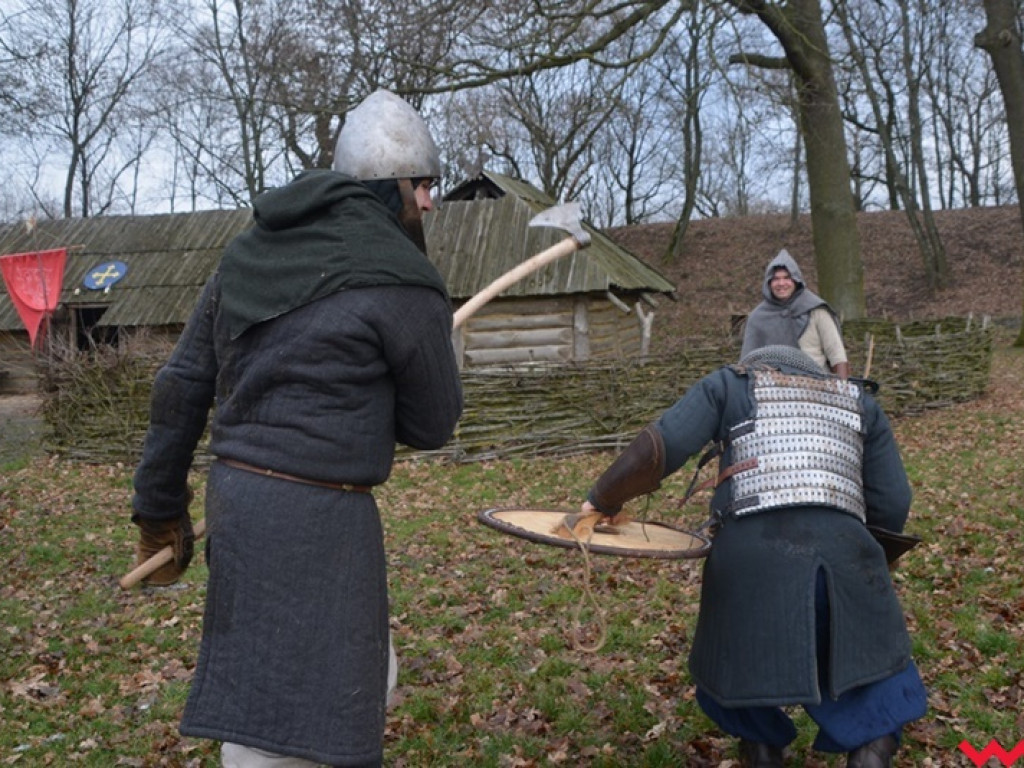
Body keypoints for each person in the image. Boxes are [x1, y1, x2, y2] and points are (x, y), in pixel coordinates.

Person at [129, 89, 464, 768]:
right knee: (333, 702)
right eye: (424, 185)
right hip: (325, 518)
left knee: (265, 676)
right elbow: (432, 425)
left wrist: (158, 508)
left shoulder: (247, 253)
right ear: (390, 186)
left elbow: (182, 383)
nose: (430, 203)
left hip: (239, 503)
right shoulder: (405, 281)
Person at [578, 344, 927, 767]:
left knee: (738, 660)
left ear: (754, 363)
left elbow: (663, 445)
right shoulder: (860, 402)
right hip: (847, 553)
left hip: (749, 558)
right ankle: (872, 750)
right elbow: (893, 501)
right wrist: (868, 559)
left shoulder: (729, 385)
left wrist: (602, 499)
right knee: (872, 668)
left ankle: (761, 748)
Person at [740, 249, 850, 379]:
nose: (781, 283)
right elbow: (747, 364)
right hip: (772, 386)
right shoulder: (758, 317)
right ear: (768, 282)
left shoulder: (816, 311)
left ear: (796, 280)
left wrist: (842, 387)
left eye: (787, 278)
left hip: (817, 384)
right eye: (776, 279)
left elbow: (837, 355)